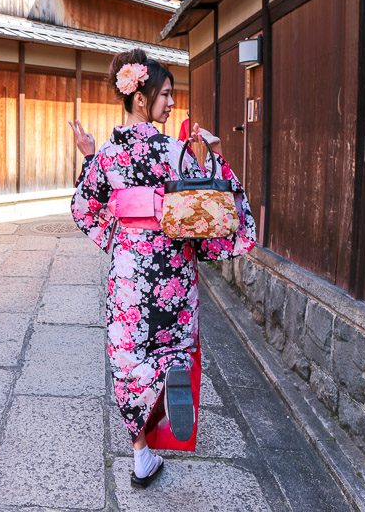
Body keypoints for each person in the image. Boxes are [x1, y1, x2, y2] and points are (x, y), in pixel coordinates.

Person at [68, 49, 256, 488]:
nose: (172, 103)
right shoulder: (177, 153)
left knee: (129, 360)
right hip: (172, 269)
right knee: (171, 345)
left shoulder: (108, 158)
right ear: (140, 98)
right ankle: (171, 370)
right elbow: (219, 211)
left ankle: (140, 457)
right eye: (166, 94)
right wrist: (215, 158)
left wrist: (112, 229)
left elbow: (82, 207)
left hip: (130, 274)